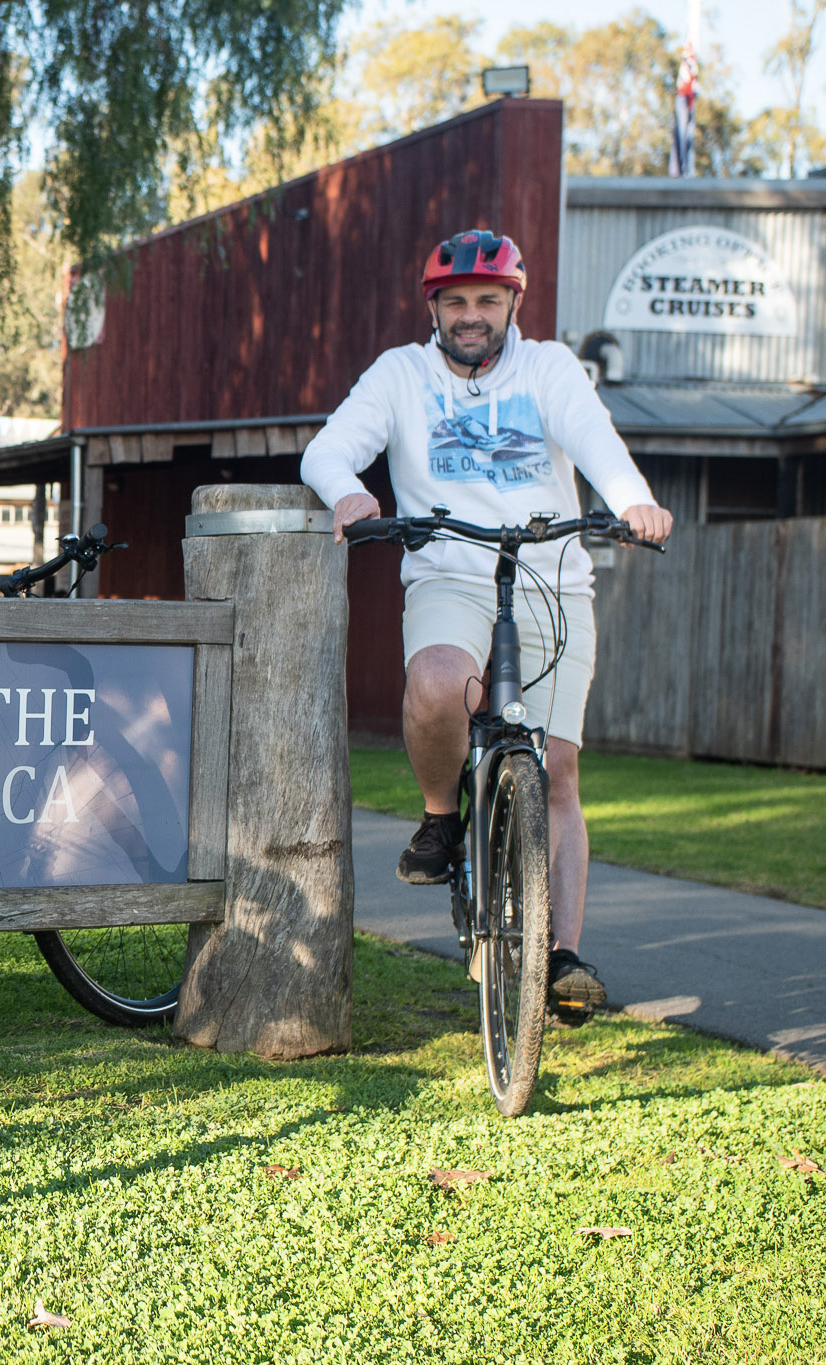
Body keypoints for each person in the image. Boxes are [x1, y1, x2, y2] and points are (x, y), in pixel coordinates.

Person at [299, 228, 675, 1024]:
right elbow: (327, 451)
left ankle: (560, 957)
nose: (472, 316)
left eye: (488, 300)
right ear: (434, 307)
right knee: (438, 683)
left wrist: (632, 497)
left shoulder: (547, 369)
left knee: (560, 767)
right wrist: (347, 493)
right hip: (448, 572)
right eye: (457, 301)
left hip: (554, 579)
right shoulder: (402, 373)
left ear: (513, 304)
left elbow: (594, 441)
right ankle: (441, 818)